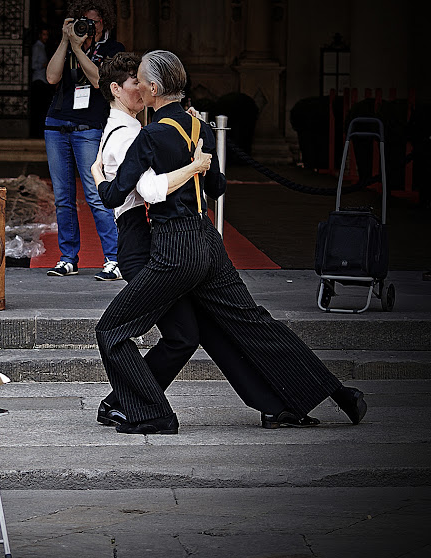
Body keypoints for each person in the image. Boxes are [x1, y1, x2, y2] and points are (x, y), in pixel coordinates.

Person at [91, 50, 367, 435]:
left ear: (153, 88)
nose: (137, 85)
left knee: (111, 331)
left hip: (176, 247)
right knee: (251, 322)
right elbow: (217, 186)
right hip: (209, 240)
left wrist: (97, 176)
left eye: (140, 79)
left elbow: (116, 194)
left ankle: (152, 414)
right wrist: (193, 172)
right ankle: (332, 394)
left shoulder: (150, 135)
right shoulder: (200, 128)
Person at [44, 0, 123, 281]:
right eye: (84, 21)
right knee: (63, 198)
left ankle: (114, 258)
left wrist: (79, 48)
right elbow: (52, 77)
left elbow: (100, 81)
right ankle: (68, 258)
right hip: (56, 125)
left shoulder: (113, 51)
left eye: (95, 22)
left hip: (88, 128)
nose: (88, 27)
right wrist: (67, 41)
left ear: (104, 24)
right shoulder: (69, 45)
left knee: (95, 194)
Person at [29, 24, 53, 138]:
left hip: (42, 80)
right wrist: (44, 65)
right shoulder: (37, 47)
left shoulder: (42, 47)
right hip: (38, 80)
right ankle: (35, 133)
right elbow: (33, 65)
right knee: (38, 109)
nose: (46, 37)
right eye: (44, 34)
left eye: (47, 35)